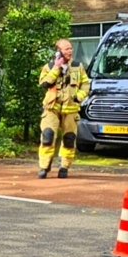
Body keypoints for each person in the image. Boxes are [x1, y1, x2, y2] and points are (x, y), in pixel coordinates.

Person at [37, 38, 90, 179]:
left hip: (71, 109)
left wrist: (78, 97)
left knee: (69, 139)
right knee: (47, 136)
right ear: (58, 51)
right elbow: (45, 84)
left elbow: (86, 84)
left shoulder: (78, 67)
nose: (70, 51)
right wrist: (56, 68)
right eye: (66, 49)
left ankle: (64, 167)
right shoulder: (48, 66)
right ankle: (44, 166)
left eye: (71, 48)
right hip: (51, 108)